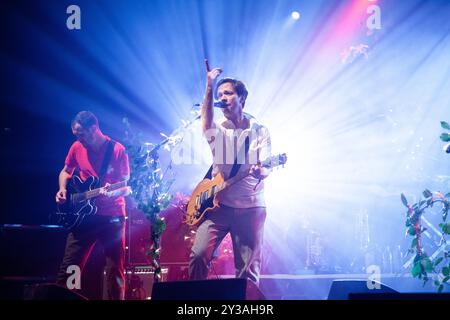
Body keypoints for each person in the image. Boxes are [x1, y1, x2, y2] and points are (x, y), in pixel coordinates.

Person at [188, 60, 272, 285]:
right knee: (198, 255)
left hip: (250, 207)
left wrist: (261, 171)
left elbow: (266, 167)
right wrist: (208, 86)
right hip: (219, 205)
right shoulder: (218, 130)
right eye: (219, 94)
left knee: (247, 269)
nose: (222, 98)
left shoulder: (259, 131)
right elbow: (206, 121)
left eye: (228, 93)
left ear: (242, 98)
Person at [55, 111, 131, 300]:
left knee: (115, 270)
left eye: (81, 134)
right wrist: (62, 189)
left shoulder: (117, 150)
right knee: (71, 266)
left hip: (111, 217)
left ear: (94, 128)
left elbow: (127, 187)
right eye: (76, 135)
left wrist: (112, 191)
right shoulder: (76, 147)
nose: (78, 138)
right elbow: (66, 171)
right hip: (83, 217)